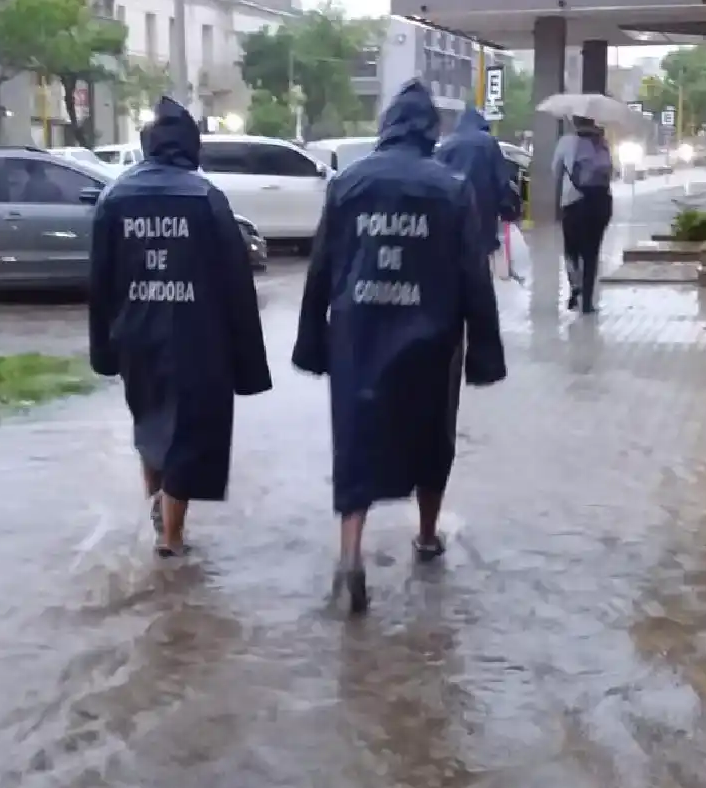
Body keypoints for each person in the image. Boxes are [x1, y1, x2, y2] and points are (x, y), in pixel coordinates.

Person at [292, 80, 507, 614]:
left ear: (386, 127)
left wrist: (310, 344)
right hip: (431, 341)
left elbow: (320, 270)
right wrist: (483, 352)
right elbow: (473, 279)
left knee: (356, 441)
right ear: (431, 131)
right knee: (431, 438)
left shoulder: (347, 185)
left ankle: (350, 553)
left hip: (356, 338)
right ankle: (428, 535)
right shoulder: (453, 189)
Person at [88, 96, 271, 557]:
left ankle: (156, 506)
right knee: (188, 434)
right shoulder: (205, 197)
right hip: (196, 341)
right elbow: (236, 285)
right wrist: (247, 363)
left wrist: (103, 350)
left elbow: (100, 282)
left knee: (150, 425)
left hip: (135, 336)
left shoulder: (116, 197)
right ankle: (171, 537)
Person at [434, 106, 520, 257]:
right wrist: (507, 210)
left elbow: (436, 181)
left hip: (452, 216)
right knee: (480, 260)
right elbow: (501, 179)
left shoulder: (446, 145)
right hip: (483, 214)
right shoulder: (488, 142)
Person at [552, 116, 614, 313]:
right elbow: (611, 172)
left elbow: (555, 171)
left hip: (573, 203)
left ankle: (575, 286)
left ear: (575, 121)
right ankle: (587, 302)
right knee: (592, 253)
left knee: (571, 250)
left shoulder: (566, 142)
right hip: (600, 203)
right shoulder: (601, 142)